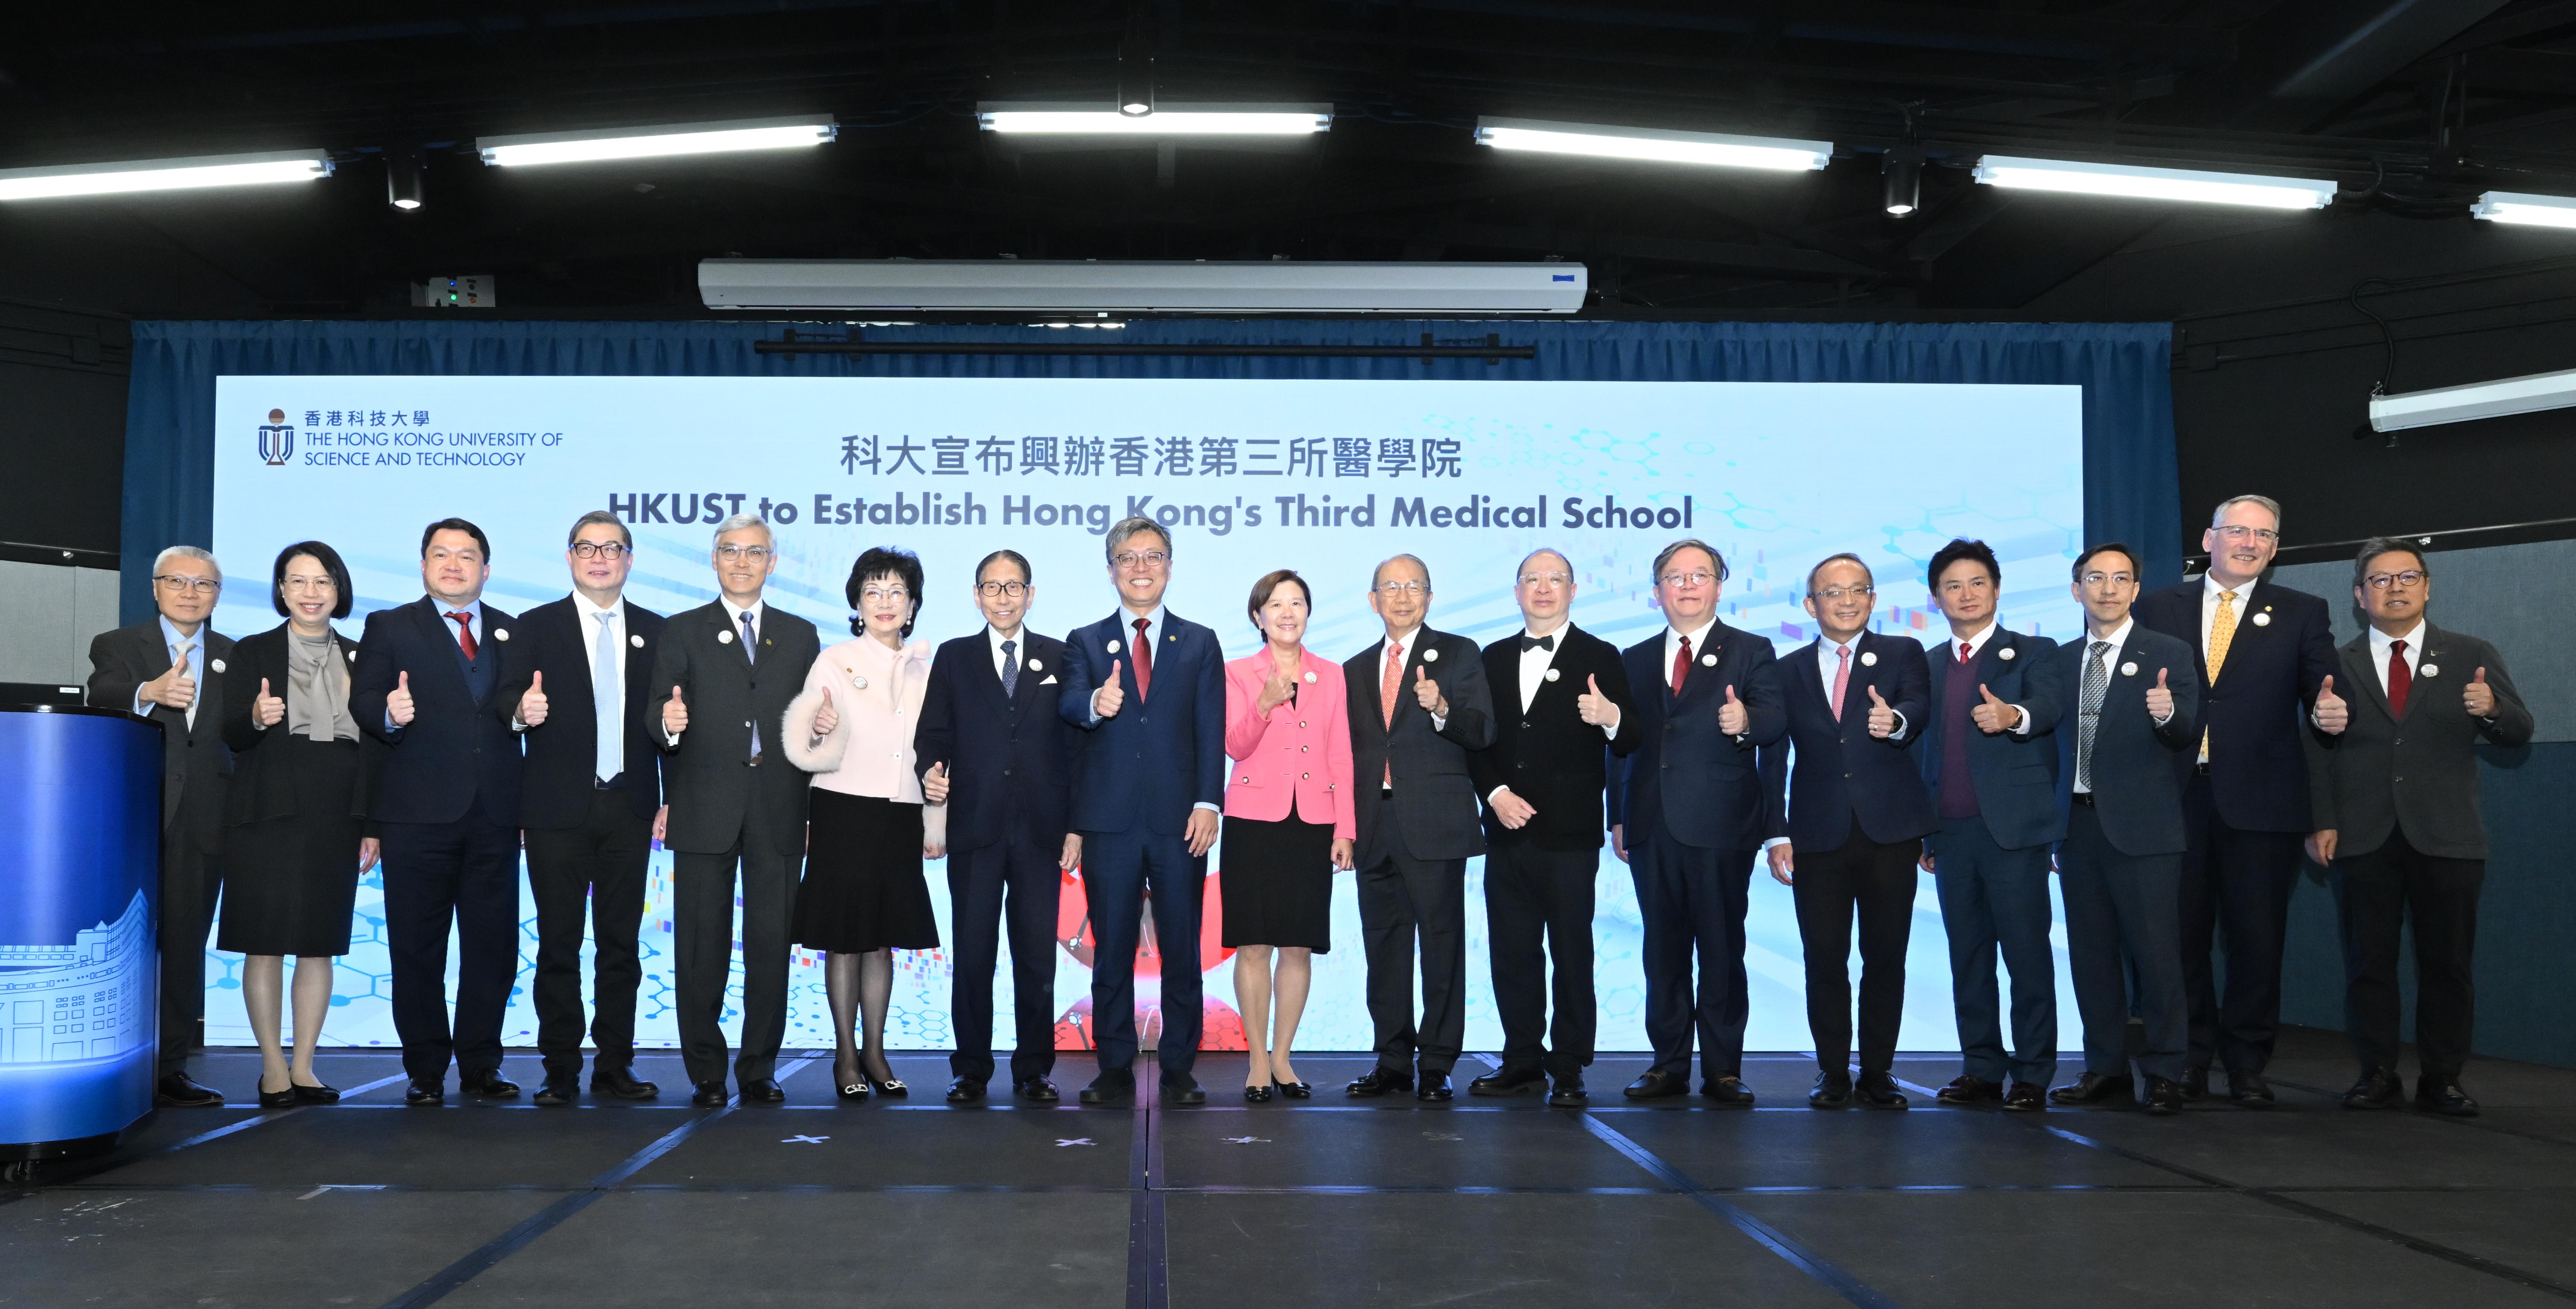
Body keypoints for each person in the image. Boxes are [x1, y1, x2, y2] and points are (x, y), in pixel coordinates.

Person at [2306, 540, 2531, 1117]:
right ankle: (2376, 1073)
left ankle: (2442, 1077)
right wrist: (2320, 821)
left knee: (2447, 964)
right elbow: (2313, 753)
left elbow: (2518, 730)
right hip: (2362, 834)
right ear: (2359, 596)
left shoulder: (2469, 653)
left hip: (2447, 834)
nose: (2395, 587)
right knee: (2368, 963)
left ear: (2427, 587)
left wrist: (2490, 709)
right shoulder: (2335, 661)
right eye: (2379, 580)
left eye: (2407, 576)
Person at [2133, 494, 2339, 1107]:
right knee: (2180, 937)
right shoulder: (2155, 606)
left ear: (2274, 549)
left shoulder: (2303, 611)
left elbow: (2322, 686)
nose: (2248, 542)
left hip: (2263, 803)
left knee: (2256, 939)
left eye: (2263, 535)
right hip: (2174, 800)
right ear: (2209, 537)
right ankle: (2189, 1058)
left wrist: (2332, 711)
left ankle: (2247, 1062)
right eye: (2237, 531)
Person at [351, 519, 531, 1106]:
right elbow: (364, 702)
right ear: (423, 564)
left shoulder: (511, 630)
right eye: (441, 554)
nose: (454, 565)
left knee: (492, 946)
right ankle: (426, 1068)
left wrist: (525, 714)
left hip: (495, 815)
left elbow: (510, 710)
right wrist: (389, 710)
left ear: (486, 567)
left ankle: (481, 1063)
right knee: (416, 946)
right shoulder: (390, 626)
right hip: (416, 815)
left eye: (467, 556)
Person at [649, 513, 823, 1107]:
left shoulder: (800, 636)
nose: (742, 561)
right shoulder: (680, 631)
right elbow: (655, 715)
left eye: (754, 552)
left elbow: (812, 724)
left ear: (773, 562)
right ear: (714, 559)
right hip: (703, 806)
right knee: (701, 945)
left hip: (778, 806)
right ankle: (704, 1069)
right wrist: (666, 725)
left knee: (771, 942)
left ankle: (758, 1068)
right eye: (730, 550)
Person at [1056, 517, 1227, 1107]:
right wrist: (1095, 704)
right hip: (1110, 821)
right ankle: (1114, 1065)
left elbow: (1210, 728)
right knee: (1113, 949)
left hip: (1182, 820)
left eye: (1152, 556)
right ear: (1110, 570)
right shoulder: (1084, 639)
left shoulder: (1199, 641)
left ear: (1170, 566)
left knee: (1182, 945)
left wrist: (1209, 802)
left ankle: (1180, 1066)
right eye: (1127, 558)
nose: (1140, 567)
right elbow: (1069, 705)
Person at [1608, 539, 1785, 1105]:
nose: (1687, 586)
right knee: (1660, 951)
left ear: (1718, 585)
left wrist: (1746, 720)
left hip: (1721, 823)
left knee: (1719, 948)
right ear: (1657, 589)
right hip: (1650, 822)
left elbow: (1775, 721)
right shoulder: (1632, 658)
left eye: (1699, 575)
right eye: (1675, 577)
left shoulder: (1751, 650)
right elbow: (1619, 744)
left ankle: (1723, 1069)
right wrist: (1616, 815)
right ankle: (1666, 1064)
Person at [1463, 548, 1636, 1107]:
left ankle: (1568, 1065)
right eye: (1532, 579)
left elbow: (1631, 736)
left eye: (1554, 579)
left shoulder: (1601, 655)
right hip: (1506, 830)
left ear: (1572, 589)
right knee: (1512, 951)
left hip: (1569, 834)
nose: (1543, 588)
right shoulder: (1489, 658)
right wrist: (1494, 795)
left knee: (1570, 950)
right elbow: (1474, 740)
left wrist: (1608, 716)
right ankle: (1521, 1060)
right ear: (1516, 591)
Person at [1762, 553, 1933, 1111]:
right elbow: (1773, 756)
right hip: (1814, 835)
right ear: (1811, 605)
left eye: (1857, 589)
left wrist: (1896, 721)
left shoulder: (1902, 652)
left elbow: (1915, 706)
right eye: (1832, 592)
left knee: (1886, 956)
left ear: (1872, 598)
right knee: (1824, 957)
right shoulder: (1785, 669)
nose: (1845, 600)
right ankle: (1833, 1072)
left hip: (1889, 832)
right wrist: (1774, 832)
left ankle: (1878, 1073)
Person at [513, 510, 668, 1106]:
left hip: (628, 807)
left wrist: (671, 792)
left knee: (620, 946)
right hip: (555, 811)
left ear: (629, 560)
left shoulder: (658, 632)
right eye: (586, 547)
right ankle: (558, 1066)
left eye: (612, 548)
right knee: (557, 944)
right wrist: (519, 710)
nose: (599, 557)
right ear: (570, 558)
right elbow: (507, 700)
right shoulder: (534, 627)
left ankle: (615, 1064)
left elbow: (673, 718)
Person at [915, 548, 1081, 1104]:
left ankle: (1033, 1068)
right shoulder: (955, 657)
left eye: (1014, 588)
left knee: (1035, 954)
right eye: (992, 587)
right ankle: (971, 1069)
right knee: (974, 951)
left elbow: (1076, 748)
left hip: (1041, 831)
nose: (1003, 598)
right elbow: (932, 735)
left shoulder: (1061, 655)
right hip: (974, 826)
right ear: (976, 595)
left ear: (1030, 595)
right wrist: (929, 773)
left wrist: (1075, 826)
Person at [217, 542, 377, 1107]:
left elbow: (377, 748)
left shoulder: (364, 656)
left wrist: (372, 823)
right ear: (281, 590)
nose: (310, 593)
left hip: (338, 811)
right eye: (298, 581)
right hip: (267, 807)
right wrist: (255, 718)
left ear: (339, 590)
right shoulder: (251, 652)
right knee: (264, 943)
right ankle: (270, 1068)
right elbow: (229, 732)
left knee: (318, 945)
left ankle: (305, 1066)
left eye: (322, 582)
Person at [785, 548, 946, 1101]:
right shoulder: (834, 660)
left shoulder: (929, 665)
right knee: (846, 940)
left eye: (895, 591)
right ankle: (845, 1056)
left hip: (900, 812)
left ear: (912, 604)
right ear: (857, 602)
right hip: (842, 807)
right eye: (873, 591)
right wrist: (817, 724)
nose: (884, 601)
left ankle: (876, 1052)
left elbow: (938, 749)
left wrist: (935, 814)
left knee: (882, 941)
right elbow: (801, 743)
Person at [2046, 543, 2200, 1116]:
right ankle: (2103, 1066)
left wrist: (2166, 714)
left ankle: (2164, 1071)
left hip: (2145, 831)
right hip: (2076, 829)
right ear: (2075, 589)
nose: (2107, 589)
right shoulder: (2059, 661)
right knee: (2090, 956)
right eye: (2094, 578)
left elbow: (2186, 732)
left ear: (2136, 590)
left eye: (2120, 579)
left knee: (2156, 956)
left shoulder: (2168, 653)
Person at [1915, 539, 2064, 1112]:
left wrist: (2013, 716)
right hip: (1950, 834)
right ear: (1936, 598)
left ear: (1997, 589)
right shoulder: (1926, 665)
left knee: (2026, 956)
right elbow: (1919, 751)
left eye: (1976, 583)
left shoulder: (2033, 651)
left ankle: (2031, 1073)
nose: (1966, 594)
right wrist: (1924, 833)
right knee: (1968, 957)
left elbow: (2048, 707)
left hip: (2014, 832)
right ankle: (1980, 1067)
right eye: (1952, 586)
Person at [1344, 553, 1496, 1103]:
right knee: (1382, 946)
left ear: (1430, 597)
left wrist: (1440, 709)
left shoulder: (1458, 654)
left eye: (1414, 587)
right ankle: (1391, 1060)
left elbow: (1482, 731)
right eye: (1391, 586)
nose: (1402, 596)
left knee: (1440, 944)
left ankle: (1435, 1063)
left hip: (1433, 822)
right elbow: (1350, 755)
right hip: (1372, 824)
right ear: (1372, 599)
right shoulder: (1355, 668)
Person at [86, 545, 234, 1107]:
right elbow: (102, 693)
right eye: (179, 581)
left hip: (206, 818)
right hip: (135, 817)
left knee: (184, 944)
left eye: (204, 584)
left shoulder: (232, 654)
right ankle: (116, 1057)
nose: (191, 592)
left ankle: (170, 1066)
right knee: (125, 944)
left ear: (217, 594)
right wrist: (149, 692)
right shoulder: (120, 645)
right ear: (155, 587)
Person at [1221, 569, 1356, 1103]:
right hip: (1253, 821)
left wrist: (1345, 827)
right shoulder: (1237, 673)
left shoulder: (1332, 674)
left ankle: (1283, 1058)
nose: (1287, 612)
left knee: (1298, 945)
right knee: (1254, 944)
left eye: (1297, 602)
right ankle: (1256, 1061)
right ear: (1258, 616)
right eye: (1275, 603)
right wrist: (1265, 702)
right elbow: (1234, 745)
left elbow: (1342, 754)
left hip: (1313, 821)